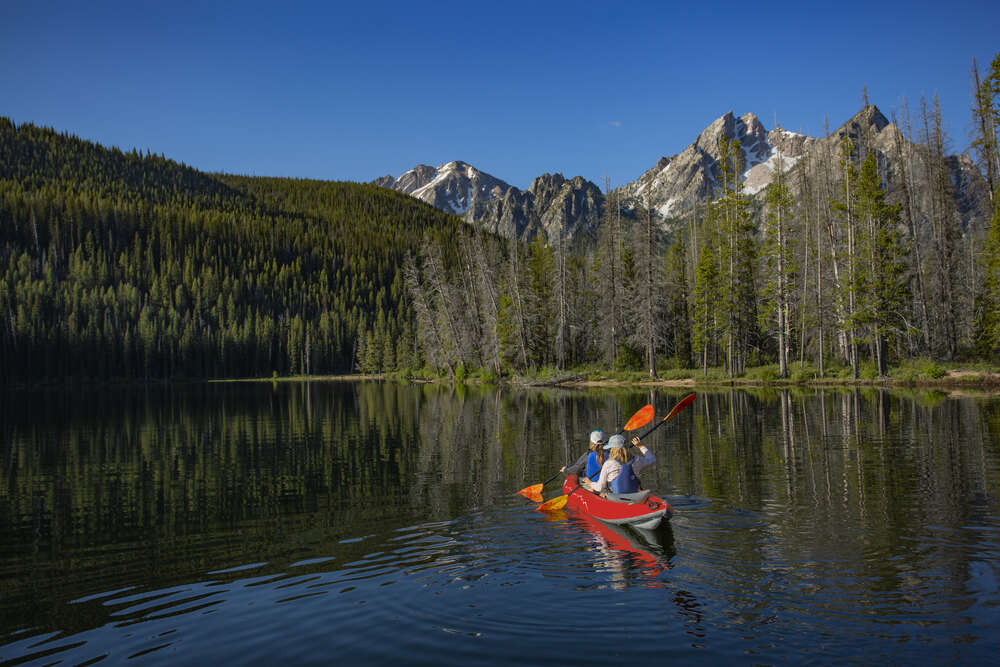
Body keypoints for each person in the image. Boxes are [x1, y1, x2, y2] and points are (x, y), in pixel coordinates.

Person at [590, 434, 655, 496]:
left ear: (612, 449)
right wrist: (640, 446)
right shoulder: (637, 460)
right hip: (634, 497)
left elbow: (599, 487)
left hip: (615, 498)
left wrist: (590, 483)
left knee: (594, 490)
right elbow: (652, 460)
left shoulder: (608, 464)